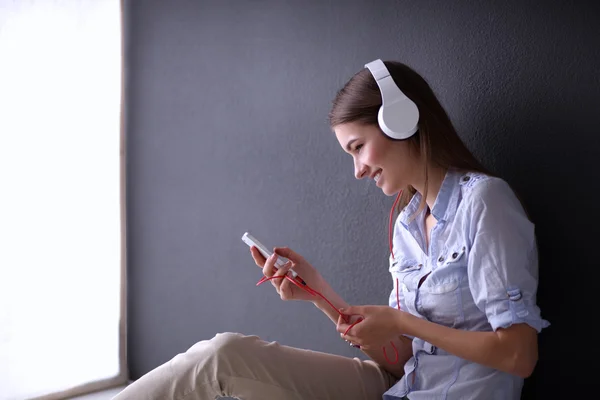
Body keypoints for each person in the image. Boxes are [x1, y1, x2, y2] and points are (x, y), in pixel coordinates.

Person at [113, 59, 549, 400]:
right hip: (400, 388)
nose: (357, 171)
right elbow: (401, 362)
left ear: (399, 120)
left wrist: (402, 322)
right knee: (223, 356)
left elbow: (518, 354)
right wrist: (318, 293)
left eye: (358, 148)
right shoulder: (407, 225)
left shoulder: (484, 202)